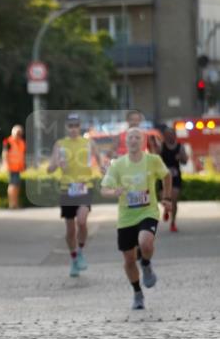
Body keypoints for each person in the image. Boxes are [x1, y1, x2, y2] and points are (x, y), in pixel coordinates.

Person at [101, 126, 172, 310]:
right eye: (130, 137)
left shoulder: (153, 160)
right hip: (126, 218)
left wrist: (166, 197)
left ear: (143, 142)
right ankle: (137, 293)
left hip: (148, 212)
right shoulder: (117, 165)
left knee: (146, 243)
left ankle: (146, 263)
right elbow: (104, 189)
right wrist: (113, 191)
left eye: (137, 137)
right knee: (129, 260)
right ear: (126, 142)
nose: (133, 140)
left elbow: (167, 176)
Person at [47, 113, 99, 277]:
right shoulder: (60, 144)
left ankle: (81, 251)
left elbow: (101, 160)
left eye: (76, 125)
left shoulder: (88, 143)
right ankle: (74, 258)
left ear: (80, 127)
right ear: (66, 127)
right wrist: (57, 164)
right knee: (70, 230)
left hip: (85, 187)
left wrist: (107, 170)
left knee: (82, 221)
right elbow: (50, 168)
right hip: (67, 188)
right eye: (71, 126)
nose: (74, 129)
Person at [159, 126, 187, 232]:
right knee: (164, 199)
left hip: (175, 177)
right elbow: (155, 157)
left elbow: (185, 161)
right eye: (167, 134)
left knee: (173, 200)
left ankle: (173, 222)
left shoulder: (180, 147)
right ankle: (166, 209)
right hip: (163, 177)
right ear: (164, 136)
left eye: (171, 134)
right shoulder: (161, 147)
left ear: (174, 136)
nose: (169, 136)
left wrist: (181, 157)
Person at [2, 125, 26, 209]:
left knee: (17, 186)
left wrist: (23, 166)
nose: (18, 135)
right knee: (12, 185)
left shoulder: (22, 142)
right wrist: (5, 164)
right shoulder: (8, 141)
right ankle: (11, 204)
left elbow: (22, 155)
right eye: (17, 133)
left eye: (20, 133)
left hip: (18, 167)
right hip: (11, 167)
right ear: (13, 133)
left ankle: (15, 203)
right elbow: (4, 154)